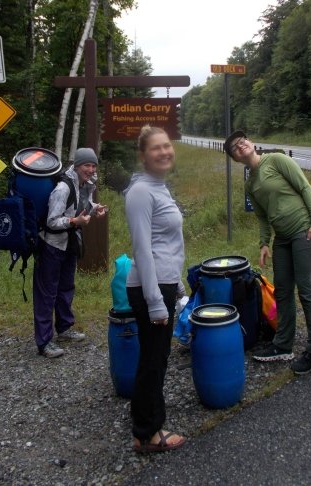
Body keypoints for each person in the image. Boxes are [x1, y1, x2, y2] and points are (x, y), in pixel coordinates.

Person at [224, 130, 311, 374]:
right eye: (235, 148)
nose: (241, 146)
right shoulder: (250, 183)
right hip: (281, 240)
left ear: (251, 143)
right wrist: (264, 243)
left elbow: (305, 187)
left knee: (307, 289)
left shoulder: (277, 160)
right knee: (282, 291)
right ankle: (283, 345)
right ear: (235, 158)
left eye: (242, 141)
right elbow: (262, 217)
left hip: (304, 231)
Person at [123, 125, 187, 453]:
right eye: (155, 148)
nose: (164, 152)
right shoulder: (141, 192)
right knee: (153, 360)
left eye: (167, 146)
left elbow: (169, 243)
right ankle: (147, 433)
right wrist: (155, 302)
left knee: (156, 358)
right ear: (143, 155)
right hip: (151, 288)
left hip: (164, 284)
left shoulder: (158, 186)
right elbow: (143, 250)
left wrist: (177, 286)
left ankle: (145, 425)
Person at [33, 147, 107, 358]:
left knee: (66, 287)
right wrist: (75, 221)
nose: (91, 169)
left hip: (69, 244)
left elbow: (79, 206)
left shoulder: (84, 184)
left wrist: (94, 208)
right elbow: (52, 221)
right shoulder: (63, 188)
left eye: (93, 165)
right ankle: (44, 342)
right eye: (86, 165)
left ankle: (64, 329)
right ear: (77, 165)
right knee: (47, 293)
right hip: (51, 245)